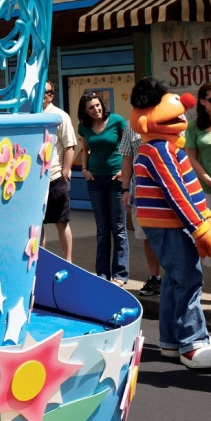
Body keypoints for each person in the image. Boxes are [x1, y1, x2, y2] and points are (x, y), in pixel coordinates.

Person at [131, 77, 211, 369]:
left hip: (169, 223)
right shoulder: (158, 149)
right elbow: (176, 192)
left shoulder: (163, 147)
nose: (182, 111)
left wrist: (204, 217)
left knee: (173, 278)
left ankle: (171, 340)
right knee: (188, 278)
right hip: (169, 223)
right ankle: (192, 343)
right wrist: (199, 226)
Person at [77, 90, 129, 283]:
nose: (96, 110)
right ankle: (102, 274)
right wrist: (84, 169)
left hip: (116, 179)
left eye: (98, 105)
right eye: (91, 108)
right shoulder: (84, 127)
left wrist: (125, 171)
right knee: (102, 229)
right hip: (95, 181)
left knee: (119, 228)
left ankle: (120, 274)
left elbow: (129, 147)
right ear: (85, 111)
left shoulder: (117, 121)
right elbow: (85, 149)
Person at [184, 81, 211, 305]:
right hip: (208, 191)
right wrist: (206, 179)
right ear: (203, 101)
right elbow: (191, 156)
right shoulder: (194, 126)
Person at [119, 124, 162, 297]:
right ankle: (155, 277)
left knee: (172, 237)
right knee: (147, 237)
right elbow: (127, 158)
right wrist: (125, 189)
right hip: (141, 192)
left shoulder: (172, 117)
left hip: (167, 192)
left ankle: (175, 280)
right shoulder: (131, 125)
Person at [41, 80, 75, 260]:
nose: (41, 94)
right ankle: (40, 261)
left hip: (54, 177)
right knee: (37, 224)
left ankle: (68, 261)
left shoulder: (60, 116)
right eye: (37, 90)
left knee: (62, 222)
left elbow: (70, 145)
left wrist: (66, 171)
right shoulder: (31, 114)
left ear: (51, 95)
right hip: (35, 180)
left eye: (45, 91)